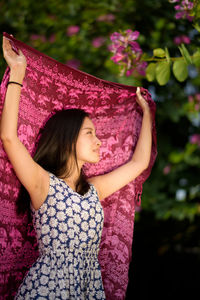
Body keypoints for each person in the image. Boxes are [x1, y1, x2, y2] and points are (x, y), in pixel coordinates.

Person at [0, 36, 152, 299]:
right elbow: (9, 138)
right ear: (68, 138)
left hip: (87, 290)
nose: (98, 141)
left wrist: (147, 114)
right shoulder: (43, 183)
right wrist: (18, 72)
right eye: (89, 133)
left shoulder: (94, 190)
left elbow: (138, 163)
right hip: (47, 290)